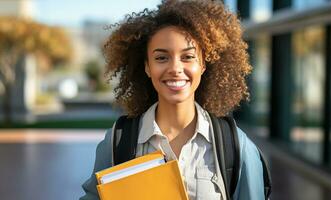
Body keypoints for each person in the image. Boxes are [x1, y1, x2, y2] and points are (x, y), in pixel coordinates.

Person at [80, 0, 264, 199]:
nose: (175, 69)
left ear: (203, 65)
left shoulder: (236, 145)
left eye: (187, 57)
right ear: (147, 67)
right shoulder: (117, 142)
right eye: (161, 58)